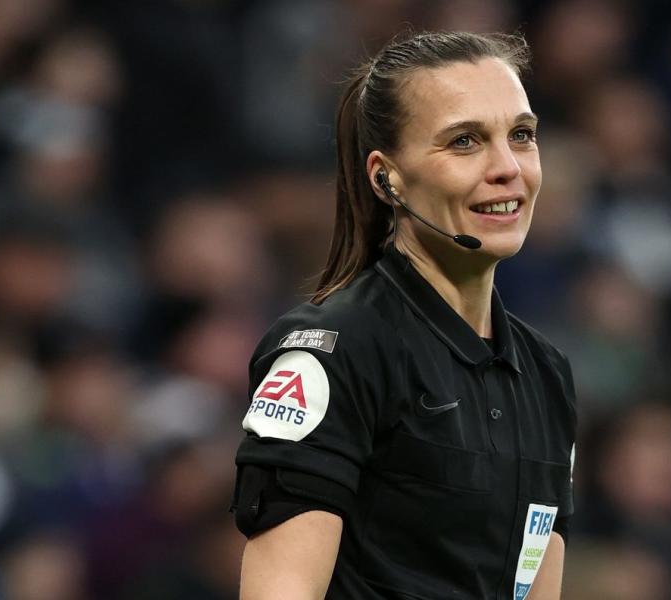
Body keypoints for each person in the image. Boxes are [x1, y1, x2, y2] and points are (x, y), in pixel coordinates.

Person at [231, 31, 577, 600]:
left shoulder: (549, 375)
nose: (508, 167)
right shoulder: (334, 350)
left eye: (521, 135)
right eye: (465, 141)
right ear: (385, 177)